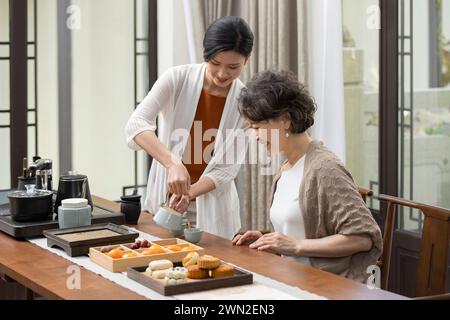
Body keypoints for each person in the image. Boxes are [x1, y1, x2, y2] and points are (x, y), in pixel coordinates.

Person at [232, 70, 382, 283]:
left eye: (257, 127)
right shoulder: (287, 166)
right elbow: (301, 229)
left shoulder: (324, 168)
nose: (255, 137)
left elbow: (363, 237)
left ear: (284, 120)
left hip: (324, 286)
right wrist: (268, 239)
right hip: (289, 280)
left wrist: (295, 246)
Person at [125, 16, 254, 239]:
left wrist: (188, 193)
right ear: (205, 54)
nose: (223, 74)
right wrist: (172, 163)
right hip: (165, 203)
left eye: (233, 67)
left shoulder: (246, 102)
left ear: (247, 60)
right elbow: (136, 124)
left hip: (212, 209)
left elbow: (226, 170)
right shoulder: (177, 78)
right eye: (215, 63)